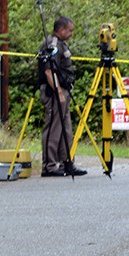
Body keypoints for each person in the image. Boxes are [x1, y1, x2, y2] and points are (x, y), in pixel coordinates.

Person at [38, 16, 87, 177]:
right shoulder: (51, 45)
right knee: (54, 128)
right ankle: (49, 166)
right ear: (61, 29)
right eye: (70, 30)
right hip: (54, 92)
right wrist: (58, 91)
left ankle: (67, 161)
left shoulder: (62, 44)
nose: (72, 33)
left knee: (66, 128)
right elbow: (48, 71)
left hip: (64, 90)